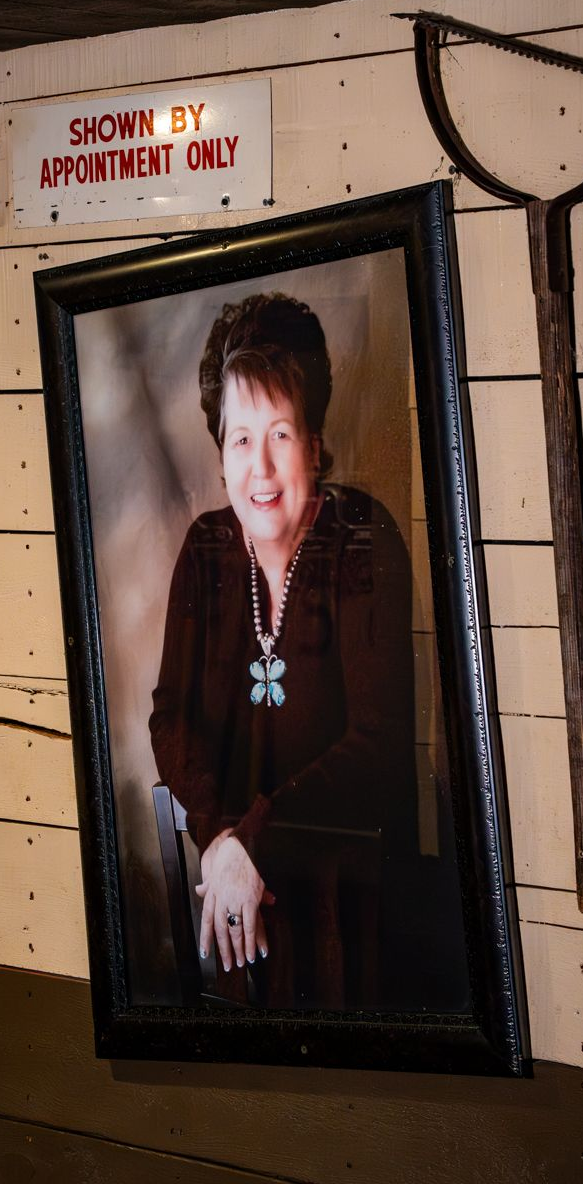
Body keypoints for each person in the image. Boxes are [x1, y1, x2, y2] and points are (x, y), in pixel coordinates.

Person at [149, 292, 421, 1010]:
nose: (261, 469)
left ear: (315, 444)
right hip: (239, 909)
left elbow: (379, 744)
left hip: (351, 920)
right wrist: (219, 841)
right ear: (219, 455)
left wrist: (251, 845)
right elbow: (168, 718)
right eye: (241, 439)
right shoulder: (205, 549)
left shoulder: (364, 539)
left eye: (280, 435)